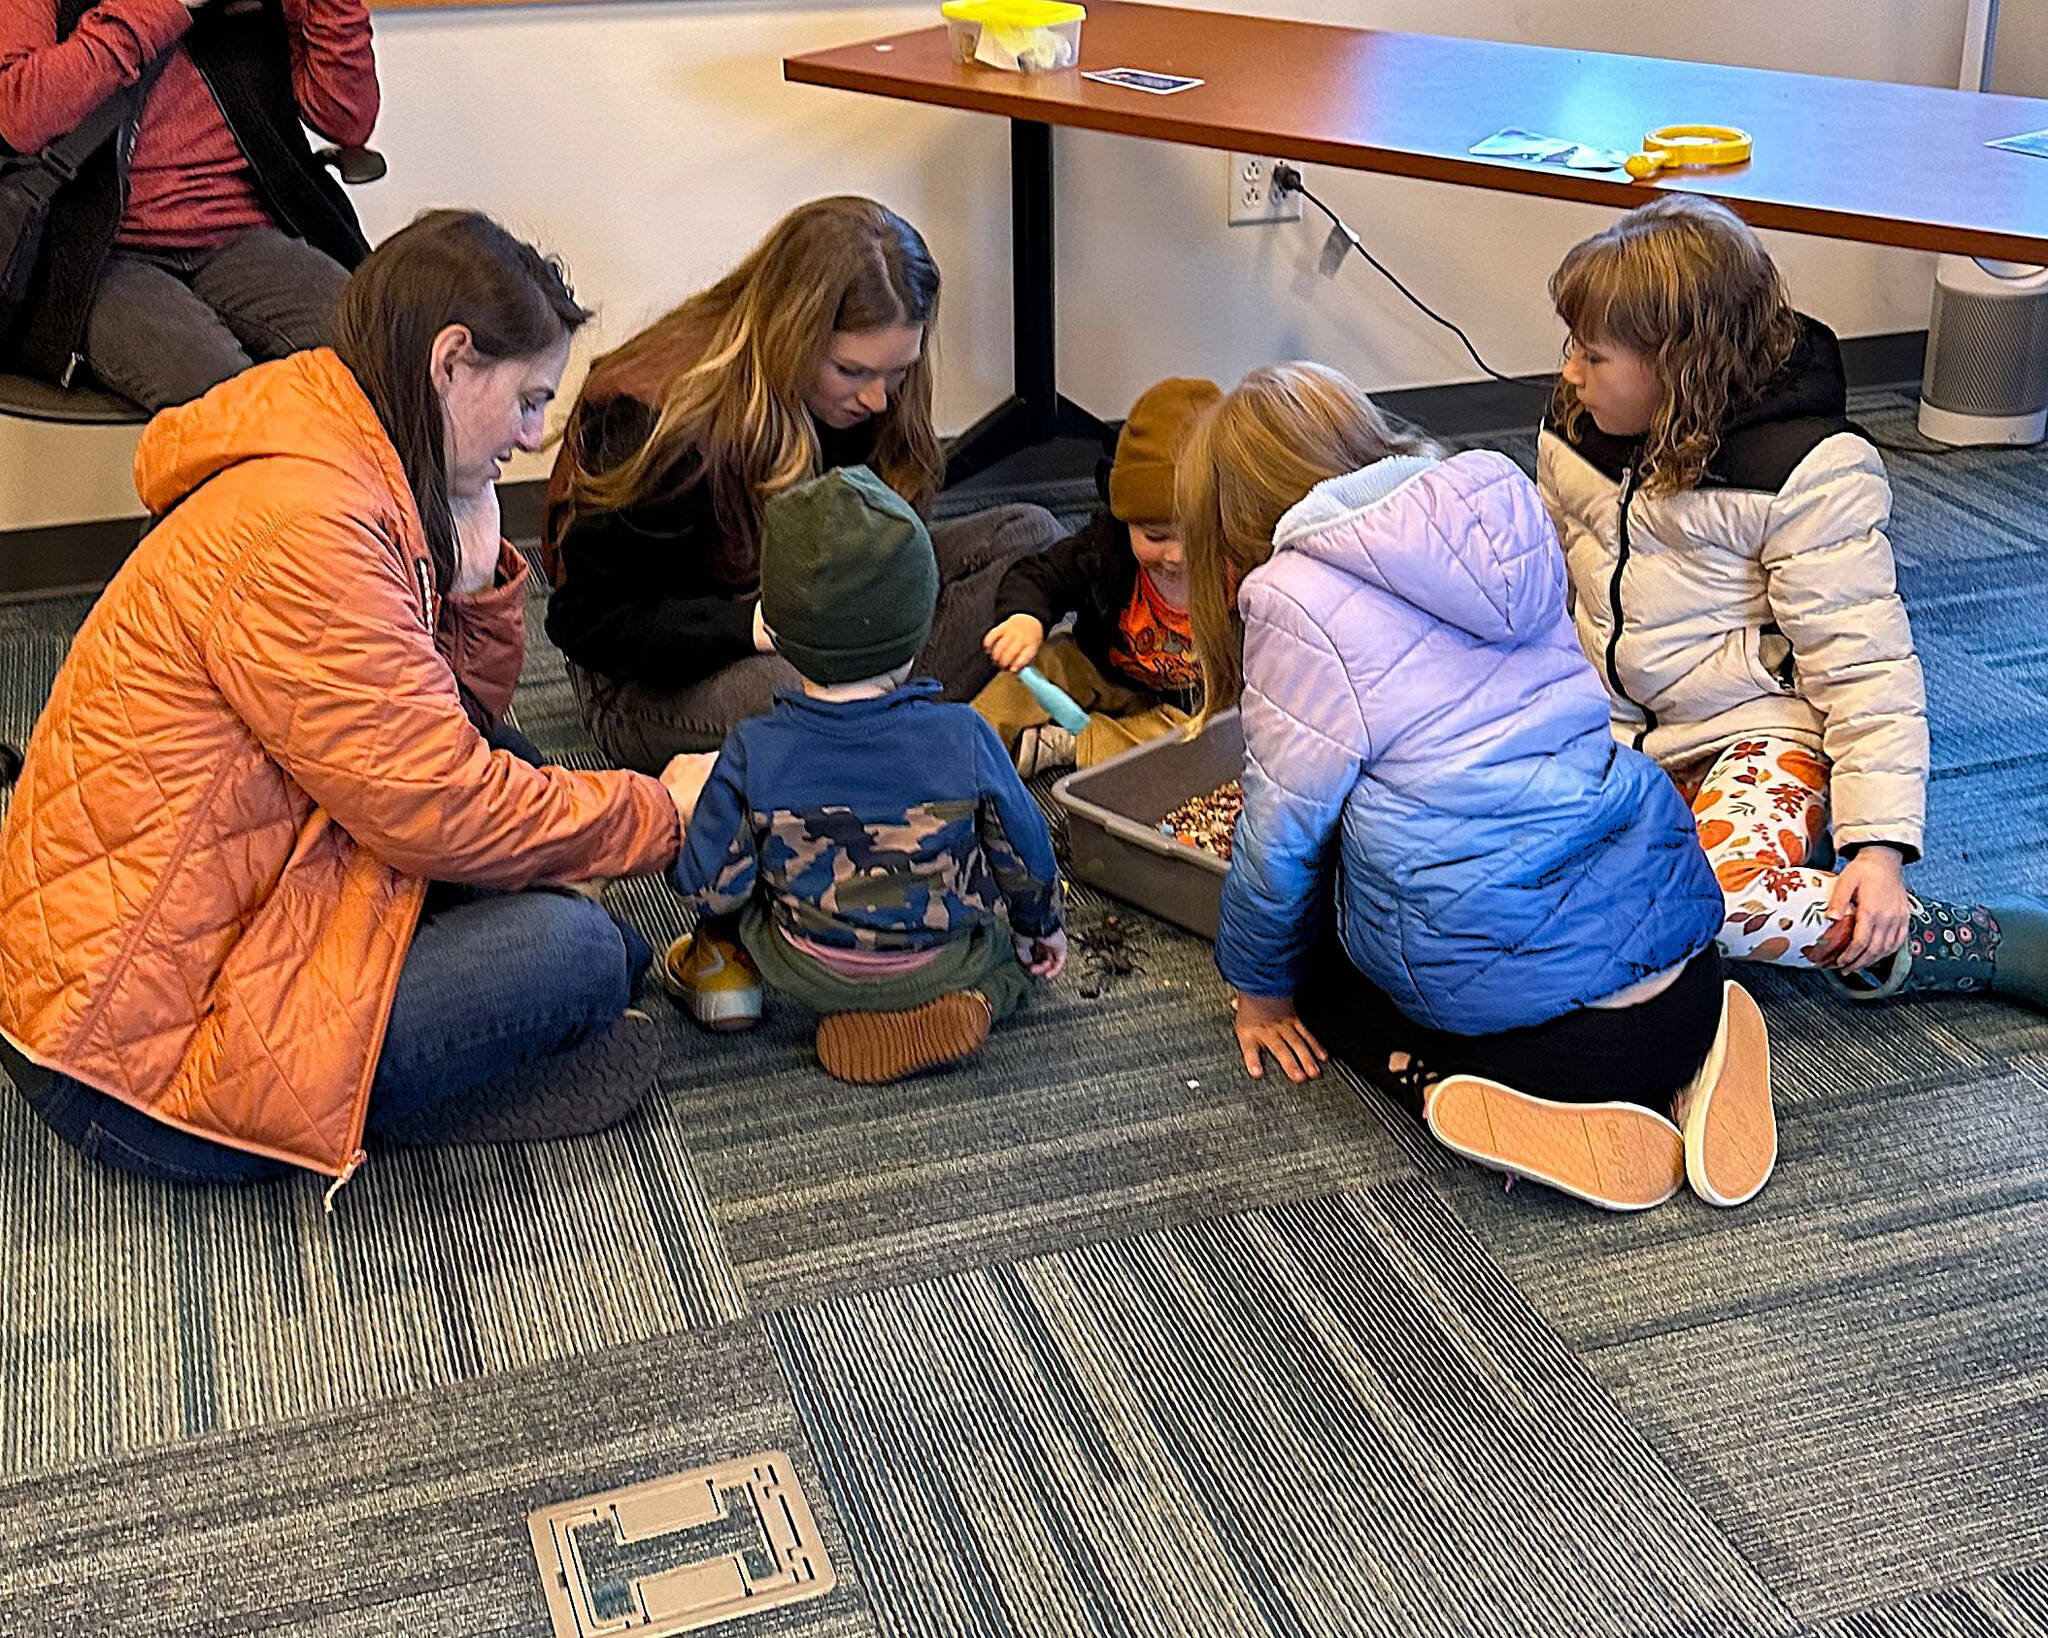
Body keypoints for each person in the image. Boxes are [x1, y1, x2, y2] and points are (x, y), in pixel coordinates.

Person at [0, 210, 700, 1189]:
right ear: (452, 361)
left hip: (214, 921)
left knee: (554, 847)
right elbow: (440, 808)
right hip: (129, 1075)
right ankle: (387, 1110)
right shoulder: (308, 529)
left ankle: (436, 1057)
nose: (535, 437)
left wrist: (474, 567)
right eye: (529, 400)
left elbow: (457, 730)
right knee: (578, 952)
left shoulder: (342, 450)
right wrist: (663, 814)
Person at [1180, 362, 1772, 1211]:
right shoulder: (1496, 505)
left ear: (1232, 528)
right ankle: (1701, 1063)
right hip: (1683, 980)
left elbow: (1279, 844)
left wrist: (1263, 993)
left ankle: (1464, 1097)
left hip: (1550, 1055)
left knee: (1318, 968)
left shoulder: (1290, 596)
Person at [1539, 195, 2048, 1008]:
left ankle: (1950, 936)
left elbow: (1867, 670)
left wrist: (1876, 852)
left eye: (1593, 356)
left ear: (1678, 363)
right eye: (1573, 346)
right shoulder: (1575, 425)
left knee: (1706, 904)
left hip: (1758, 734)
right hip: (1615, 734)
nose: (1569, 371)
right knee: (1495, 875)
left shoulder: (1808, 471)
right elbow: (1557, 586)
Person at [541, 196, 1059, 774]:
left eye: (898, 370)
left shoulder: (875, 394)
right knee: (805, 695)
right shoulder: (659, 418)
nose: (877, 399)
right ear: (791, 334)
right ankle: (929, 737)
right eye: (852, 372)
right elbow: (585, 622)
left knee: (1030, 537)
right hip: (665, 676)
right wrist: (756, 626)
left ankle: (883, 738)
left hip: (826, 627)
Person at [667, 466, 1067, 1086]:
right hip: (942, 961)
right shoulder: (964, 734)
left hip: (802, 968)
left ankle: (728, 982)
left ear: (771, 629)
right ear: (920, 626)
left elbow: (710, 884)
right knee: (1012, 956)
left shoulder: (753, 747)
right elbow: (1026, 854)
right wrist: (1040, 928)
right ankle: (983, 1000)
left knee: (731, 909)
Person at [0, 0, 378, 409]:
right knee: (223, 397)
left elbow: (345, 119)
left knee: (377, 351)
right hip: (94, 256)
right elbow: (20, 113)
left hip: (242, 235)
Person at [975, 377, 1215, 775]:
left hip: (1183, 703)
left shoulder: (1241, 567)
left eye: (1199, 535)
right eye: (1155, 536)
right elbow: (1044, 573)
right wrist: (1025, 617)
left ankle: (1074, 742)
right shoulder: (1107, 546)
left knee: (1206, 737)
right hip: (1103, 668)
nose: (1177, 556)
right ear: (1124, 517)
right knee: (1043, 664)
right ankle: (964, 750)